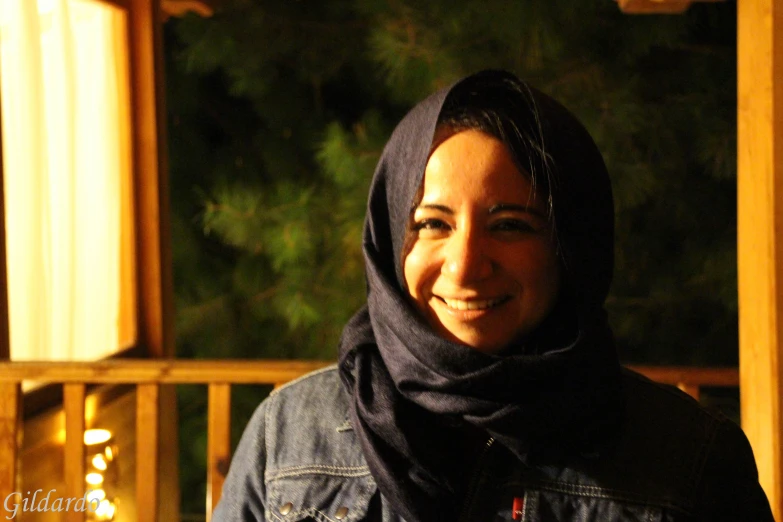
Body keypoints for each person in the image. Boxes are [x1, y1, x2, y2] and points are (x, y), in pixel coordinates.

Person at [212, 70, 773, 521]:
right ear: (388, 238)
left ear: (569, 246)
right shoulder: (287, 435)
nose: (465, 265)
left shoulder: (688, 459)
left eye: (510, 225)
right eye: (432, 224)